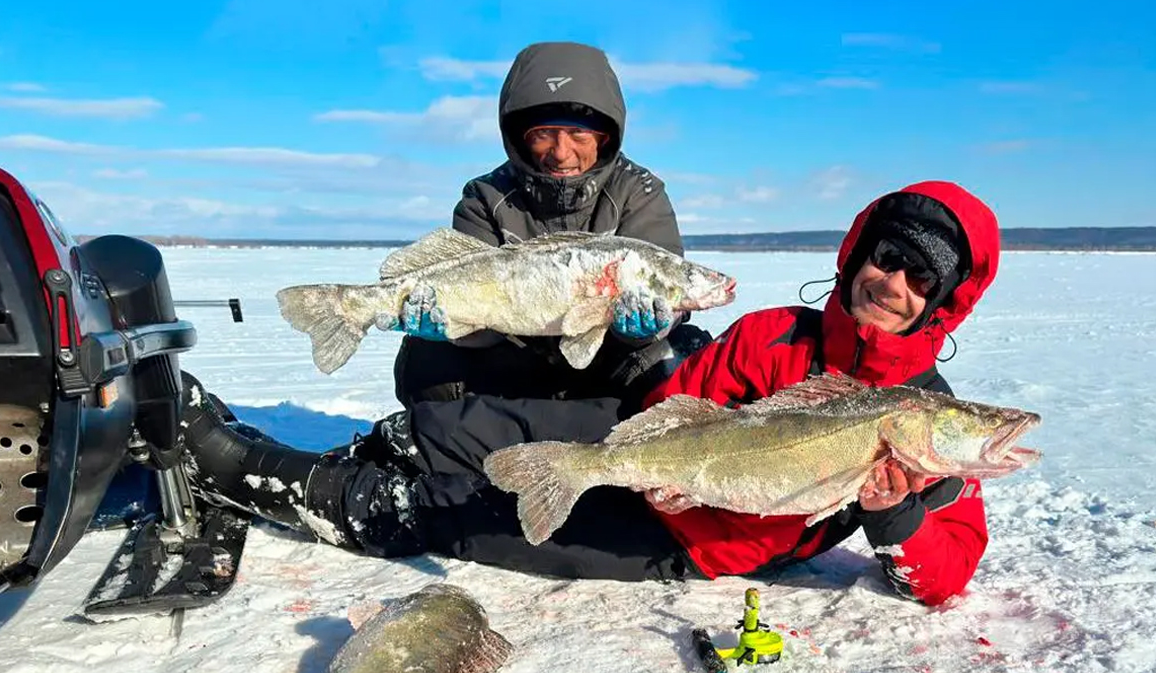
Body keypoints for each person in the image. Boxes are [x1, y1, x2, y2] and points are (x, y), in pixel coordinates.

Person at [180, 181, 1003, 606]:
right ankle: (367, 442)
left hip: (685, 548)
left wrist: (898, 519)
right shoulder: (774, 333)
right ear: (858, 253)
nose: (892, 283)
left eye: (919, 276)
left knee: (449, 513)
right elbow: (685, 395)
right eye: (885, 258)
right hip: (658, 460)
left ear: (943, 299)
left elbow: (947, 569)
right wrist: (653, 443)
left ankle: (253, 472)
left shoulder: (927, 413)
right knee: (457, 425)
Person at [391, 40, 705, 409]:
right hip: (514, 360)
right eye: (543, 134)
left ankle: (636, 454)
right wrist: (454, 330)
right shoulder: (484, 197)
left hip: (607, 363)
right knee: (426, 355)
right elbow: (478, 319)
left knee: (687, 355)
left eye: (578, 134)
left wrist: (642, 330)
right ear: (520, 137)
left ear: (605, 135)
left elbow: (668, 295)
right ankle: (460, 451)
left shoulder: (639, 191)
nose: (561, 152)